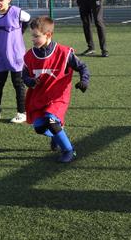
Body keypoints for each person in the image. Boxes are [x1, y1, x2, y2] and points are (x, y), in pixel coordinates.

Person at [22, 16, 90, 163]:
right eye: (31, 36)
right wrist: (31, 81)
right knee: (40, 127)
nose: (32, 39)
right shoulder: (29, 56)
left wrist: (84, 81)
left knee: (52, 121)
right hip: (39, 97)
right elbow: (24, 76)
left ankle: (69, 150)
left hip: (58, 97)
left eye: (36, 36)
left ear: (48, 35)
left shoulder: (64, 53)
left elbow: (82, 67)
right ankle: (56, 136)